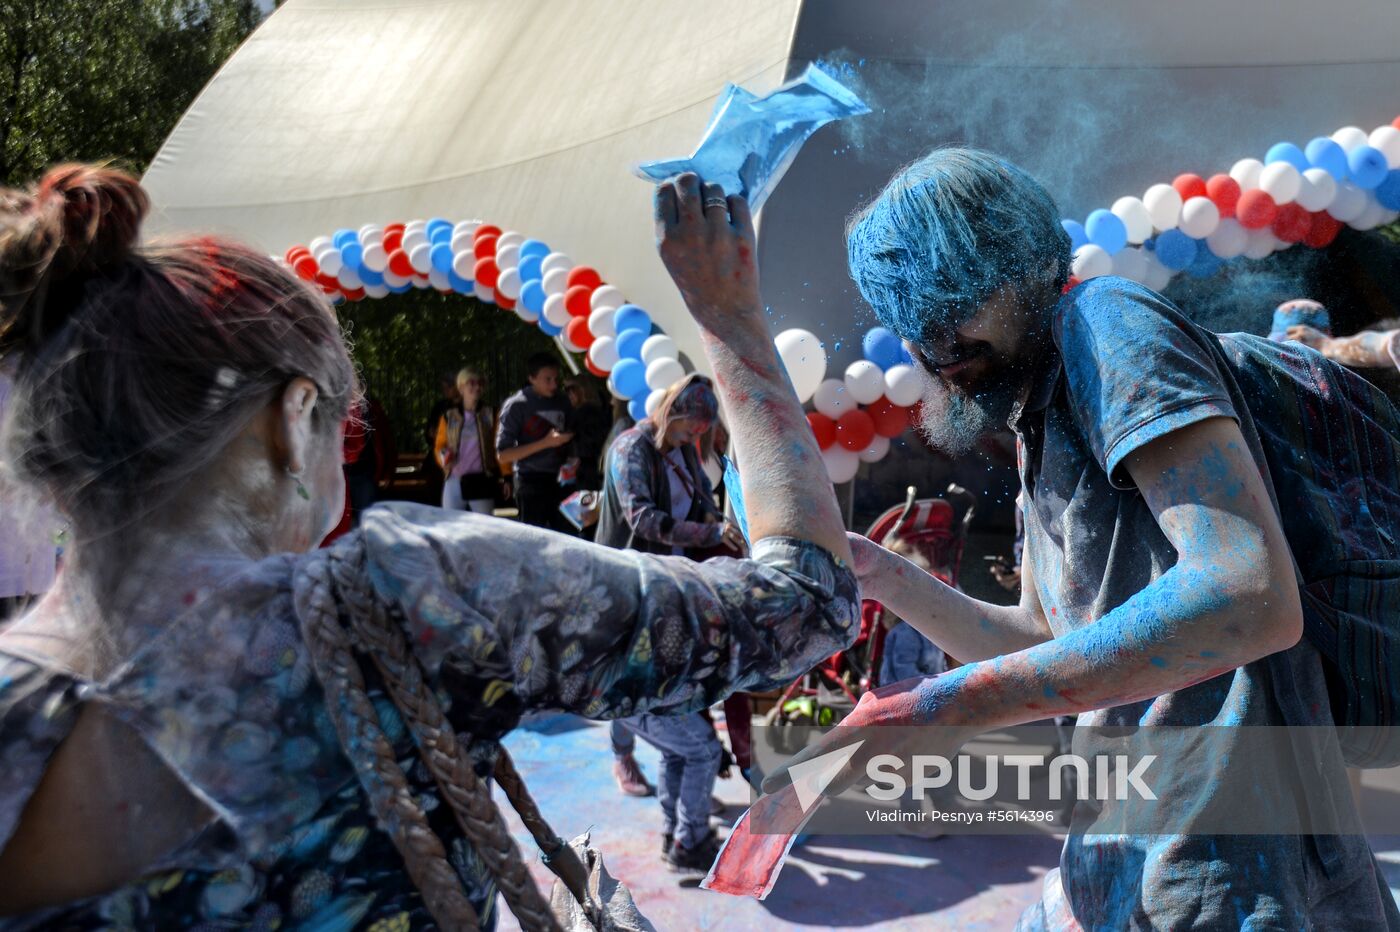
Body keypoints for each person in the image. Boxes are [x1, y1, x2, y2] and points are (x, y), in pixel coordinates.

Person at [0, 165, 856, 928]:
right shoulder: (423, 592)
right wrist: (732, 321)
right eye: (342, 425)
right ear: (291, 422)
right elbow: (808, 600)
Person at [783, 148, 1400, 928]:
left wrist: (950, 708)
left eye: (951, 301)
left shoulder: (1107, 321)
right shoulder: (1033, 413)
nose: (931, 344)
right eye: (913, 319)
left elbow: (1249, 593)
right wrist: (881, 572)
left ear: (1020, 258)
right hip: (1118, 856)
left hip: (1224, 871)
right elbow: (1041, 634)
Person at [594, 374, 746, 870]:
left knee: (674, 720)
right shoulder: (630, 449)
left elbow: (703, 501)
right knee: (654, 707)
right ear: (670, 415)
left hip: (672, 592)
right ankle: (685, 826)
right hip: (631, 596)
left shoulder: (682, 451)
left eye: (696, 435)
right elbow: (643, 520)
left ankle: (679, 829)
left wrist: (729, 531)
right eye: (686, 432)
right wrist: (707, 530)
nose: (689, 442)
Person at [495, 353, 576, 533]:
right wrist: (546, 443)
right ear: (531, 378)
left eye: (556, 379)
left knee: (567, 539)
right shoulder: (517, 405)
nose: (554, 385)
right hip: (530, 481)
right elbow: (503, 455)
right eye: (547, 379)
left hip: (562, 480)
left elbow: (572, 434)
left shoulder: (563, 401)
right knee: (535, 540)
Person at [434, 367, 502, 515]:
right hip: (454, 479)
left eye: (481, 383)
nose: (477, 387)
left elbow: (500, 446)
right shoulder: (449, 416)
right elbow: (440, 446)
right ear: (461, 387)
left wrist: (506, 475)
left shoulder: (491, 414)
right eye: (471, 383)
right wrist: (443, 458)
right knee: (449, 525)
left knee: (484, 527)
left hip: (481, 479)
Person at [563, 377, 608, 493]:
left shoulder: (582, 413)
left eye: (570, 389)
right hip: (599, 464)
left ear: (581, 390)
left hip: (585, 467)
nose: (568, 394)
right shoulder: (603, 410)